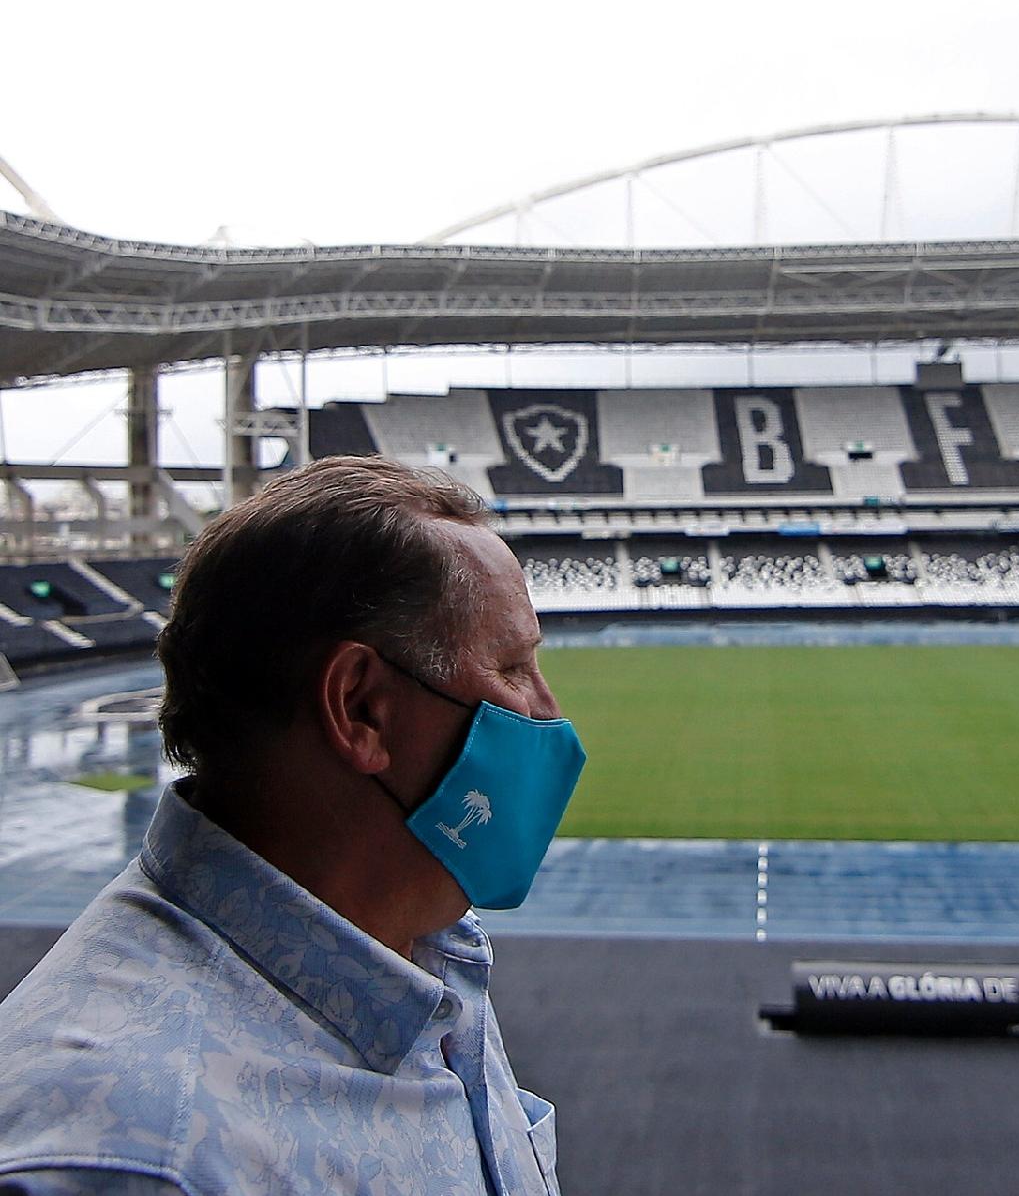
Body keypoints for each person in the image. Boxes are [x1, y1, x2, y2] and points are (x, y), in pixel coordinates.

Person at [0, 457, 585, 1194]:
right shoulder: (140, 1160)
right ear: (361, 707)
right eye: (512, 667)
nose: (547, 710)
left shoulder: (413, 949)